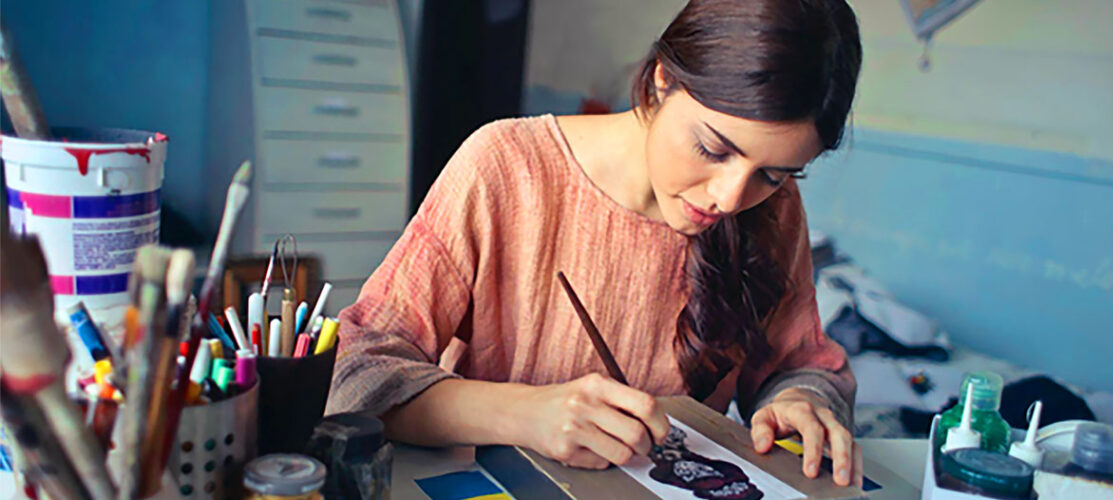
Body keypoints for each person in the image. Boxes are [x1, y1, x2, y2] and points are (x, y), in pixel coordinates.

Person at [327, 0, 864, 487]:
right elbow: (357, 373)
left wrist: (800, 398)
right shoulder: (505, 167)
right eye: (711, 147)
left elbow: (801, 363)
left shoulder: (772, 207)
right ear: (660, 81)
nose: (729, 197)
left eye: (772, 173)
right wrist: (524, 414)